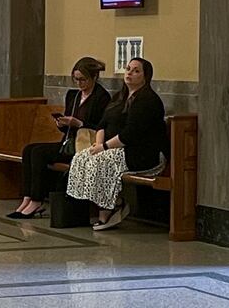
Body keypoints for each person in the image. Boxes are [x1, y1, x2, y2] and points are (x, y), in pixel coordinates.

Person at [67, 57, 167, 231]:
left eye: (136, 70)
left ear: (146, 76)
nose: (130, 73)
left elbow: (130, 134)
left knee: (102, 160)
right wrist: (98, 145)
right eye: (128, 69)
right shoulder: (118, 97)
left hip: (143, 154)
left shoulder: (148, 100)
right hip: (114, 148)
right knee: (82, 157)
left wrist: (104, 148)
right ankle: (103, 204)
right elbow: (102, 124)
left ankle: (110, 207)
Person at [8, 57, 110, 219]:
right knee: (29, 150)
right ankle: (27, 197)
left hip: (85, 146)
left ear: (94, 77)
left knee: (39, 153)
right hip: (69, 142)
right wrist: (61, 123)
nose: (79, 83)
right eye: (76, 79)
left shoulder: (102, 97)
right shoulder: (73, 96)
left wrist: (79, 123)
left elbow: (102, 126)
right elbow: (66, 128)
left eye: (83, 79)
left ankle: (37, 201)